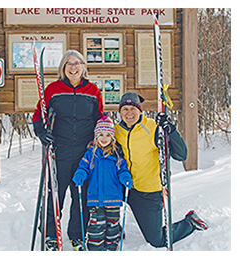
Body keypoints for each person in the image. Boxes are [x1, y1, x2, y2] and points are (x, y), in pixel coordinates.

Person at [115, 92, 208, 249]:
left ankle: (190, 222)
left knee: (157, 240)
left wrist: (170, 130)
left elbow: (181, 154)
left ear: (140, 110)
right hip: (124, 187)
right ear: (120, 112)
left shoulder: (152, 128)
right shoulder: (117, 131)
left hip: (148, 191)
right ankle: (113, 227)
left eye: (133, 108)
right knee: (99, 192)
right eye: (125, 109)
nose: (129, 113)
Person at [32, 50, 104, 251]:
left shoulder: (93, 91)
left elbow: (100, 119)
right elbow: (38, 115)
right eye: (69, 64)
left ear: (83, 67)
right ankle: (50, 235)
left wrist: (99, 140)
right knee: (55, 194)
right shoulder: (53, 90)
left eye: (77, 63)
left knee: (81, 196)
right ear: (63, 67)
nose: (73, 67)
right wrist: (41, 132)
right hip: (59, 151)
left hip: (84, 153)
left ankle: (77, 234)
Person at [72, 115, 133, 251]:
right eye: (101, 135)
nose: (104, 139)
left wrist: (125, 178)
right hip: (95, 198)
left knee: (112, 225)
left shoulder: (116, 154)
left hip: (113, 198)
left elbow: (122, 169)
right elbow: (84, 167)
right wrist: (80, 174)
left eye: (107, 135)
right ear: (96, 136)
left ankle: (111, 247)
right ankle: (95, 248)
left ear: (112, 137)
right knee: (96, 225)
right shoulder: (91, 153)